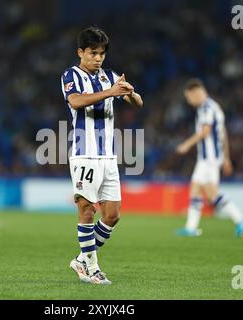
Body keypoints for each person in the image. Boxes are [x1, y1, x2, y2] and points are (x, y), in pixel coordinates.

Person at [60, 26, 143, 285]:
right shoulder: (70, 75)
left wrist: (129, 93)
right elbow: (75, 101)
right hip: (85, 154)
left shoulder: (110, 76)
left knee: (112, 215)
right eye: (93, 53)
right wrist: (110, 92)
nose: (98, 58)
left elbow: (138, 103)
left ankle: (82, 259)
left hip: (108, 156)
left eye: (102, 54)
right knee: (86, 210)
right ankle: (93, 268)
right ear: (80, 52)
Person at [175, 78, 243, 238]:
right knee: (198, 190)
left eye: (189, 97)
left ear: (196, 93)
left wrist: (186, 144)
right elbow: (223, 135)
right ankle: (191, 228)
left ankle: (239, 218)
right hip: (211, 158)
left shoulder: (207, 107)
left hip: (209, 158)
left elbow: (205, 131)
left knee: (210, 194)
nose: (189, 101)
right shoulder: (212, 107)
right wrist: (226, 158)